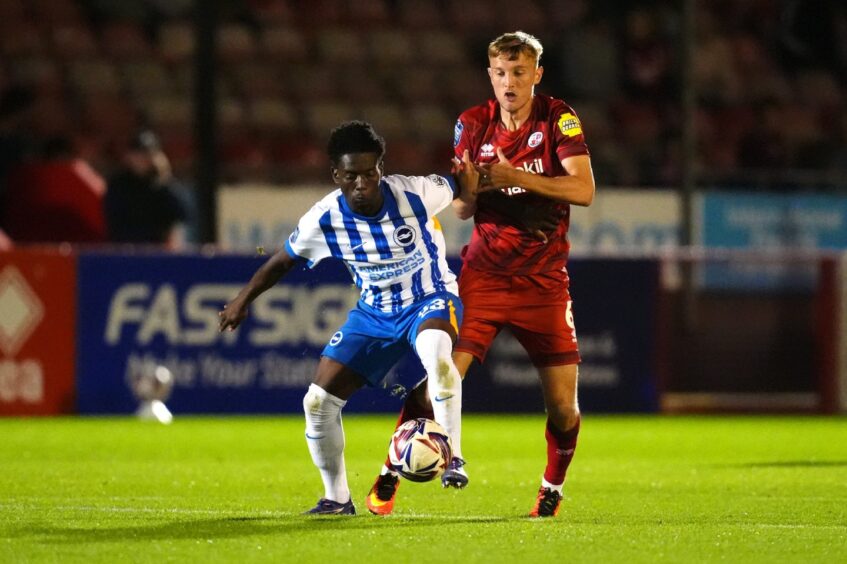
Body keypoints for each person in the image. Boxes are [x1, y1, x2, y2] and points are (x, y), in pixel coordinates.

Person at [368, 31, 596, 518]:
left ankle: (551, 489)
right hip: (484, 277)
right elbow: (464, 209)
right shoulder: (472, 124)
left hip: (545, 282)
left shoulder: (559, 118)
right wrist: (468, 190)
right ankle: (390, 470)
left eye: (519, 72)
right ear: (489, 75)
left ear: (537, 74)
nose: (509, 82)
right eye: (500, 73)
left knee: (563, 407)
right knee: (435, 380)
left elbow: (583, 189)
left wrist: (518, 178)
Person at [218, 121, 476, 515]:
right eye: (351, 175)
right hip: (374, 313)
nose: (361, 183)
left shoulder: (415, 193)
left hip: (430, 296)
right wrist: (242, 299)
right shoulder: (324, 219)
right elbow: (281, 262)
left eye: (369, 173)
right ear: (336, 175)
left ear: (381, 170)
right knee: (317, 402)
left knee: (438, 359)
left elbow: (461, 182)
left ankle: (454, 458)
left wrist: (479, 183)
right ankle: (337, 498)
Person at [104, 129, 189, 249]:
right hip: (124, 251)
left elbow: (182, 214)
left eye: (147, 154)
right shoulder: (118, 184)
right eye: (137, 154)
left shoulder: (163, 184)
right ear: (129, 156)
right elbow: (113, 220)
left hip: (158, 253)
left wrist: (165, 175)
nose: (142, 158)